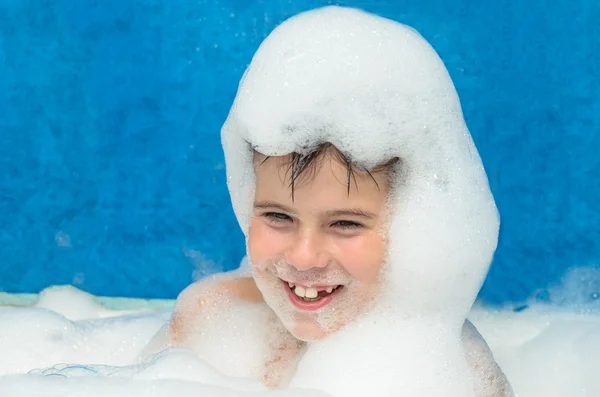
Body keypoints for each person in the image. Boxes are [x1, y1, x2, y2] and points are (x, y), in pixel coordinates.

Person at [141, 6, 513, 396]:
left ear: (409, 224)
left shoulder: (454, 372)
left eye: (345, 224)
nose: (304, 258)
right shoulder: (209, 319)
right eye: (278, 216)